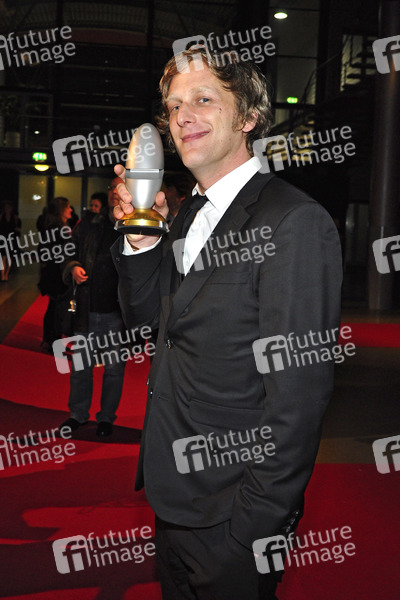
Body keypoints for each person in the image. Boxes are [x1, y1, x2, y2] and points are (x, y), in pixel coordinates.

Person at [111, 47, 343, 600]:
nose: (182, 116)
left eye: (203, 99)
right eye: (173, 106)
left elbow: (299, 399)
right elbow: (150, 324)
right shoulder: (185, 216)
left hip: (233, 513)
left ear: (248, 117)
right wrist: (142, 240)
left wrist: (252, 527)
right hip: (172, 495)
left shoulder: (292, 221)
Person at [60, 176, 127, 437]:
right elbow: (69, 252)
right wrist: (73, 266)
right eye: (112, 187)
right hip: (85, 309)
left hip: (117, 314)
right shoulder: (89, 223)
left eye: (120, 187)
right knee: (80, 368)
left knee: (114, 370)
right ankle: (77, 414)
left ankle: (106, 418)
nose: (114, 192)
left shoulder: (135, 224)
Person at [38, 197, 72, 351]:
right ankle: (51, 340)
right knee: (55, 307)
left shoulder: (54, 227)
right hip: (56, 273)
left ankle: (50, 339)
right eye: (68, 207)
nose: (70, 210)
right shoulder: (58, 229)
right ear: (62, 210)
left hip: (53, 271)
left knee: (54, 306)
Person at [0, 201, 21, 282]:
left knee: (9, 257)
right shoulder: (2, 216)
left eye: (8, 207)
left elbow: (18, 228)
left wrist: (17, 229)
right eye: (6, 207)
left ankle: (6, 274)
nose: (7, 209)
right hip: (3, 239)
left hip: (11, 239)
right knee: (3, 257)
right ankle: (3, 275)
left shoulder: (14, 217)